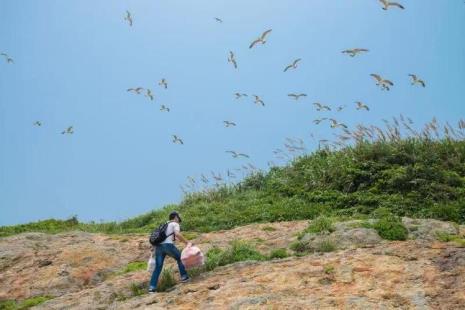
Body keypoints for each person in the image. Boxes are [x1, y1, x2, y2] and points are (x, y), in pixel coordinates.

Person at [149, 211, 191, 293]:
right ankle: (184, 277)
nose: (179, 219)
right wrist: (187, 242)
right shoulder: (175, 224)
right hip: (168, 245)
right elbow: (177, 234)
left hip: (158, 247)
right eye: (179, 217)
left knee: (158, 267)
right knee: (180, 258)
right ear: (175, 217)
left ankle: (152, 288)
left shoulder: (164, 224)